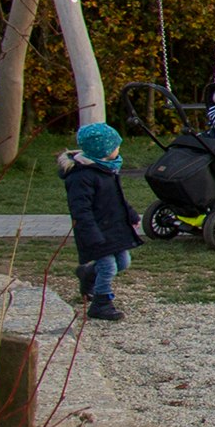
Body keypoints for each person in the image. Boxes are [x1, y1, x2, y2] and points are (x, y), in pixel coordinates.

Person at [61, 121, 138, 322]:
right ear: (103, 151)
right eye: (115, 146)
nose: (118, 150)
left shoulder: (107, 170)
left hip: (112, 227)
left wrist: (131, 214)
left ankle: (88, 273)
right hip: (94, 231)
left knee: (123, 262)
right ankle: (101, 303)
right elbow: (81, 210)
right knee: (108, 266)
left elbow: (117, 198)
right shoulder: (82, 177)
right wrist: (91, 234)